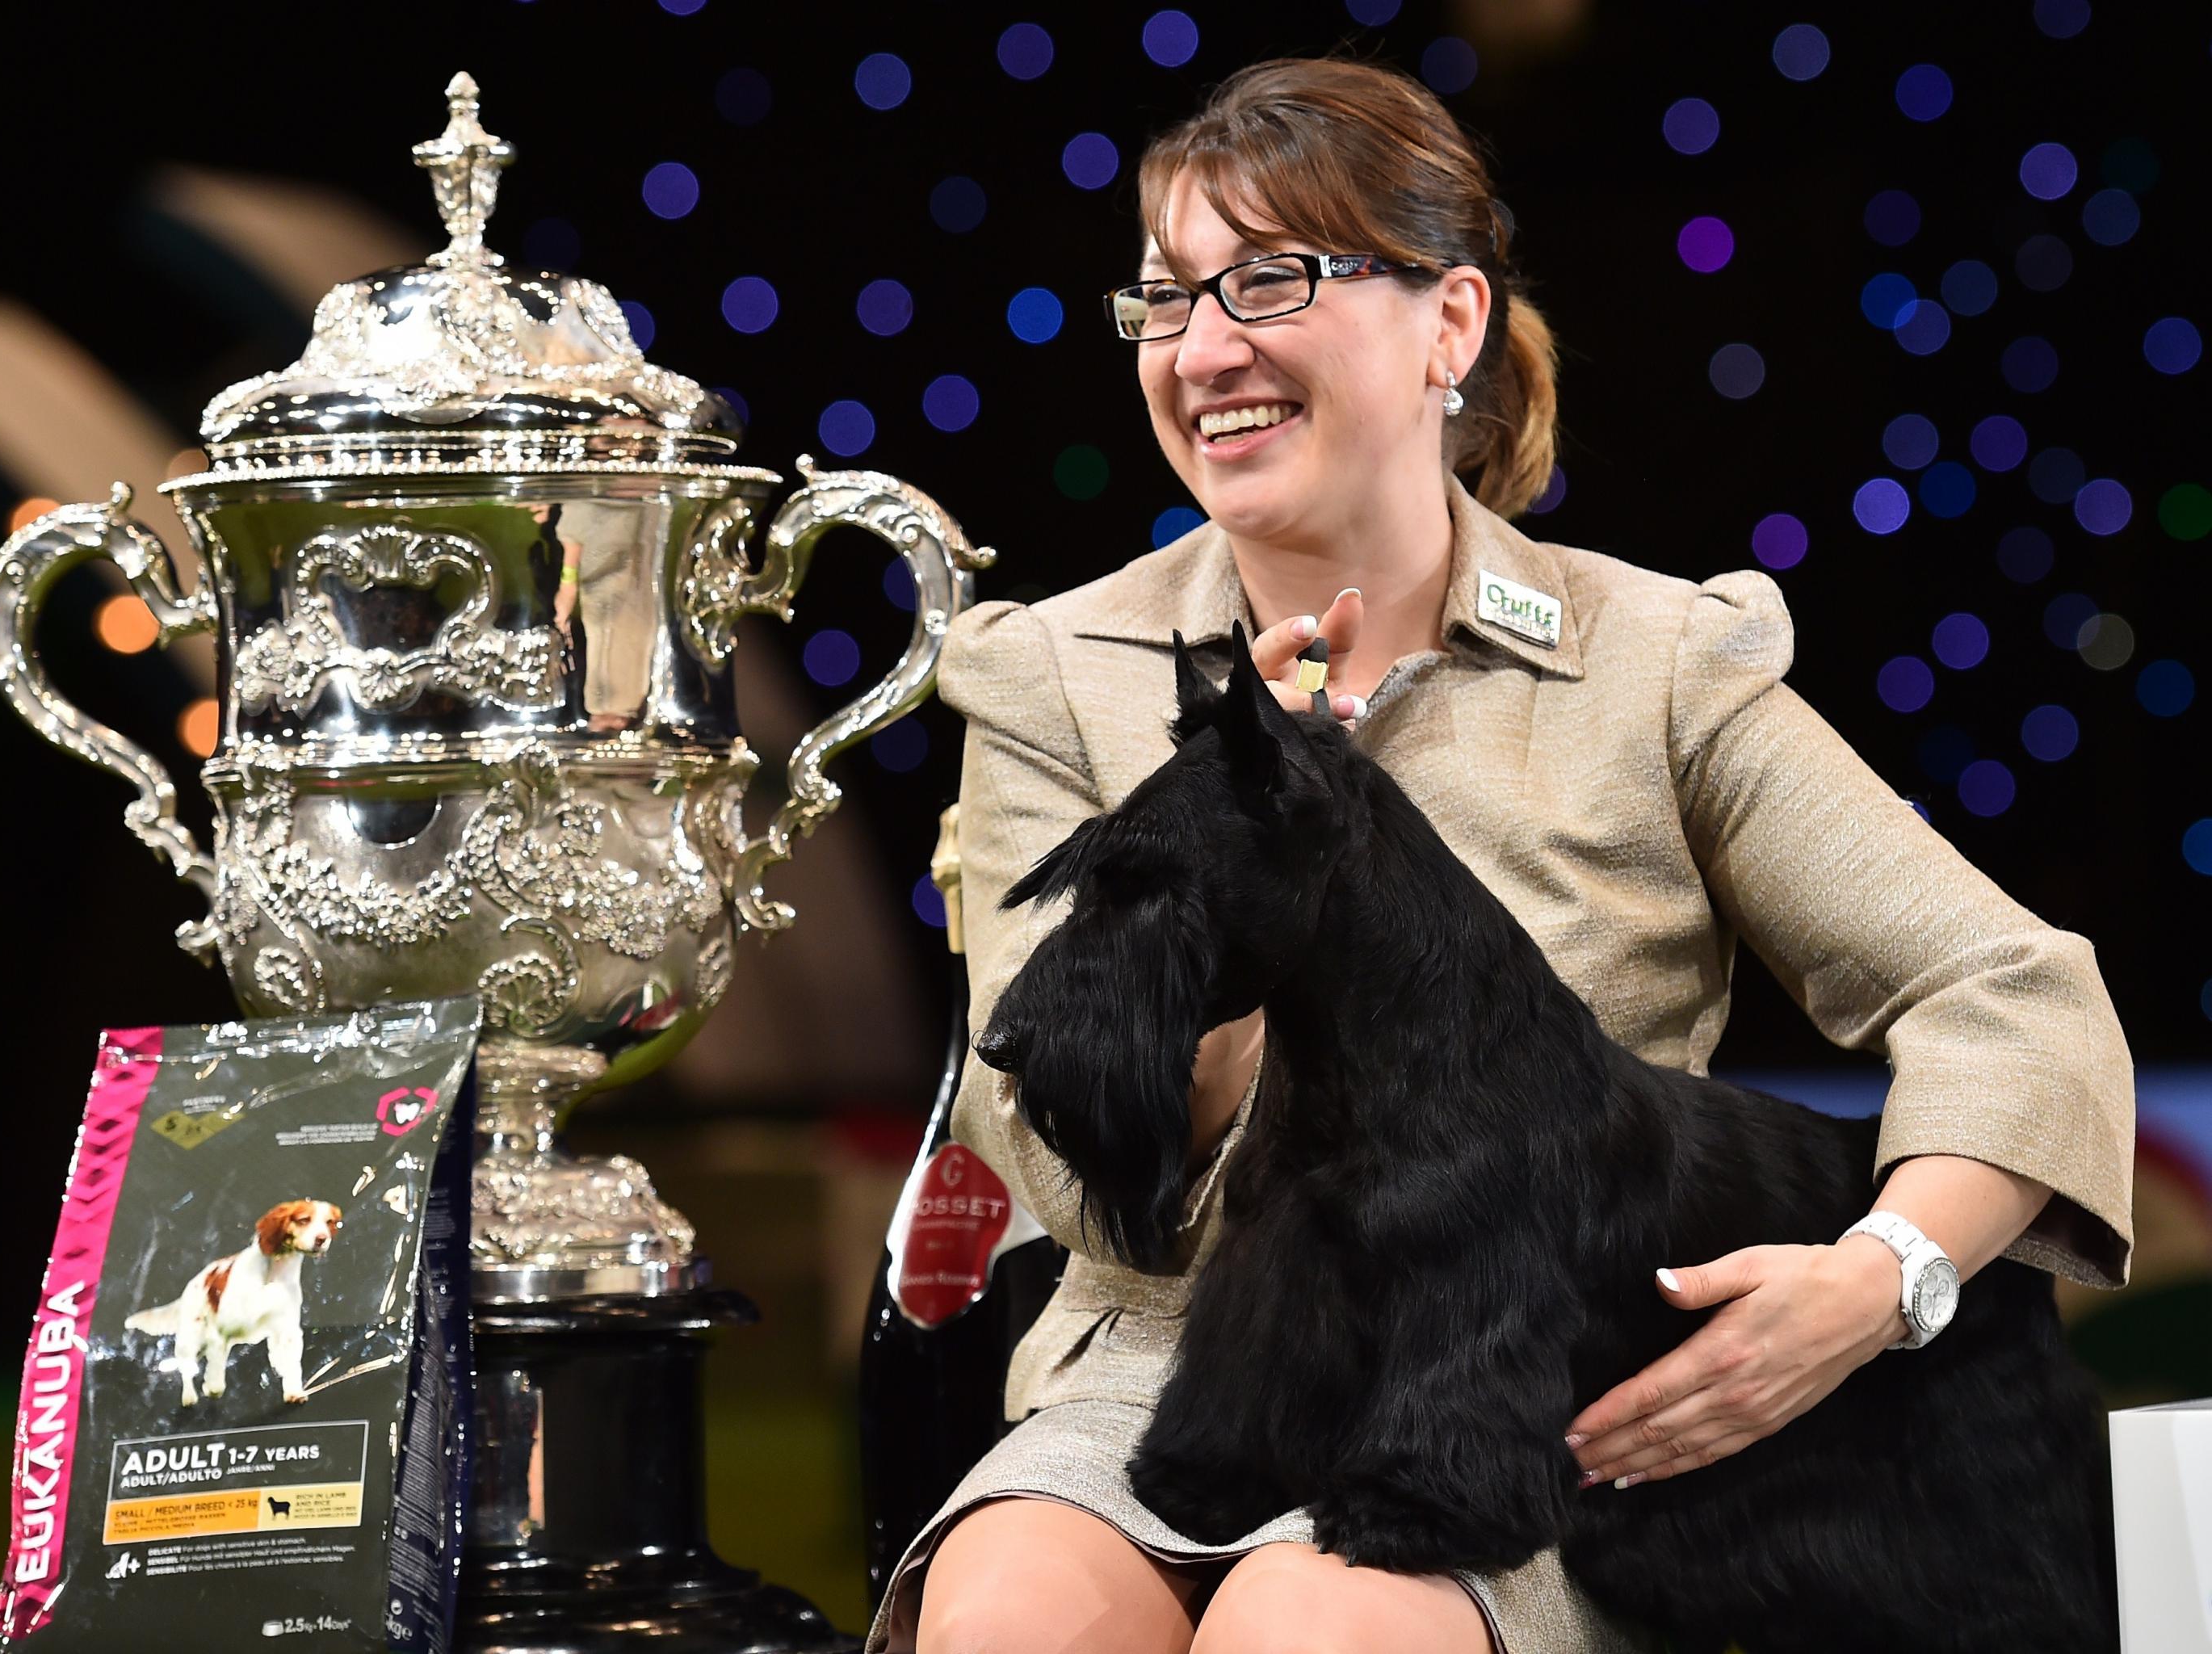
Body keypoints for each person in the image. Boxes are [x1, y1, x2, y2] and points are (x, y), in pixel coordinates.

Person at [867, 55, 2134, 1654]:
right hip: (1172, 1374)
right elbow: (1070, 1163)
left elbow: (2014, 990)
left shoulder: (1657, 661)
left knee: (1306, 1633)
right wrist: (1222, 873)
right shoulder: (1054, 672)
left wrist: (1878, 1280)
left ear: (1449, 325)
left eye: (1270, 279)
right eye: (1167, 298)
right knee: (1009, 1619)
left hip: (1530, 1397)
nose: (1205, 349)